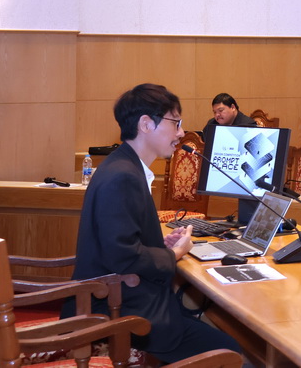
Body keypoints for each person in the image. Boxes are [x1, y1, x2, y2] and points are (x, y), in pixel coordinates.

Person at [69, 84, 242, 362]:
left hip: (123, 298)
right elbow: (122, 255)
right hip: (121, 313)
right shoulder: (123, 176)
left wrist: (158, 245)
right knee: (232, 352)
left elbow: (120, 240)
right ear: (146, 124)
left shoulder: (121, 165)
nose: (181, 133)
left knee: (209, 324)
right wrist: (174, 254)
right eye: (176, 123)